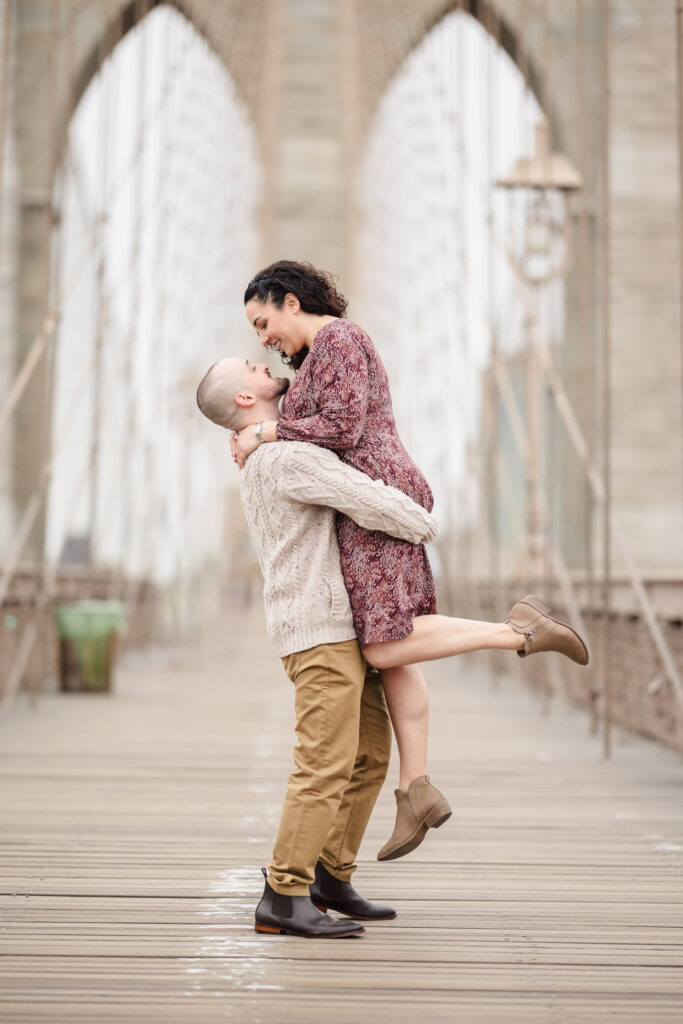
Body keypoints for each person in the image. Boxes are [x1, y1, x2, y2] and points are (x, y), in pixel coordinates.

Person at [233, 260, 589, 862]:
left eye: (263, 321)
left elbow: (342, 426)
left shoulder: (339, 338)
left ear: (292, 301)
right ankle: (414, 788)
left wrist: (265, 436)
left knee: (382, 646)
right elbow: (282, 414)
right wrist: (249, 429)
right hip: (362, 504)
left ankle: (517, 630)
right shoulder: (313, 359)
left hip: (377, 499)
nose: (262, 339)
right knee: (392, 650)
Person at [197, 356, 440, 938]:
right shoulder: (285, 457)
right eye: (253, 366)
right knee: (325, 762)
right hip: (321, 633)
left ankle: (330, 876)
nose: (266, 363)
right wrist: (422, 522)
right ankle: (284, 893)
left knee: (369, 757)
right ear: (246, 401)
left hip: (330, 629)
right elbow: (365, 496)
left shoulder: (265, 452)